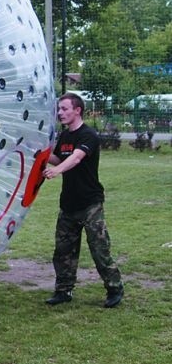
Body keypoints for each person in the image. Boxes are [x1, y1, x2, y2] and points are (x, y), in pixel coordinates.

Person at [42, 92, 124, 308]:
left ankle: (114, 288)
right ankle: (63, 291)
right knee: (63, 251)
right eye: (59, 109)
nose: (60, 113)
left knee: (99, 249)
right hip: (68, 204)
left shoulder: (89, 135)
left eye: (65, 109)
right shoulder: (65, 136)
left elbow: (76, 158)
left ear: (77, 110)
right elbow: (60, 157)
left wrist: (57, 170)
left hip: (90, 204)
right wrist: (39, 153)